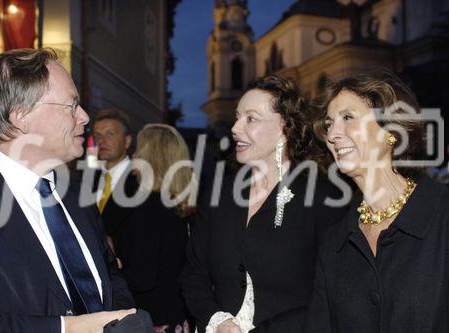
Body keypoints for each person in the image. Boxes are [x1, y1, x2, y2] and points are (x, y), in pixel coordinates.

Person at [0, 48, 137, 333]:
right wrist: (64, 328)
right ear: (20, 116)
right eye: (71, 106)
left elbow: (110, 275)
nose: (85, 117)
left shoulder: (78, 195)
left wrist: (118, 322)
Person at [181, 75, 348, 333]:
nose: (235, 128)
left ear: (286, 127)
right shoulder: (220, 193)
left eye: (251, 118)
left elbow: (331, 296)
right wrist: (216, 319)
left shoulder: (324, 199)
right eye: (237, 117)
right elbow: (193, 274)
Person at [306, 73, 449, 332]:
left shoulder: (442, 216)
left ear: (391, 130)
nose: (333, 134)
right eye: (328, 124)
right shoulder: (334, 243)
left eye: (348, 118)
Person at [109, 124, 196, 332]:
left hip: (152, 318)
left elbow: (141, 277)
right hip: (178, 315)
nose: (134, 156)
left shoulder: (146, 207)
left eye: (139, 150)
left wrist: (112, 269)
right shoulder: (181, 204)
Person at [91, 109, 137, 245]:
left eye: (110, 134)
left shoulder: (140, 182)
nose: (102, 141)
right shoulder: (85, 182)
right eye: (97, 135)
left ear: (127, 141)